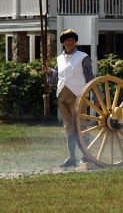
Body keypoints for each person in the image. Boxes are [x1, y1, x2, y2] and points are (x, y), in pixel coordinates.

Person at [43, 29, 95, 168]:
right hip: (62, 95)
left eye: (72, 39)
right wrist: (49, 73)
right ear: (63, 43)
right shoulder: (60, 59)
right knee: (68, 127)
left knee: (81, 125)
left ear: (75, 42)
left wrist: (96, 93)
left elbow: (90, 77)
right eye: (67, 40)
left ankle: (86, 156)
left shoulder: (83, 57)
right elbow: (56, 79)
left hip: (78, 95)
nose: (70, 42)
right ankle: (72, 158)